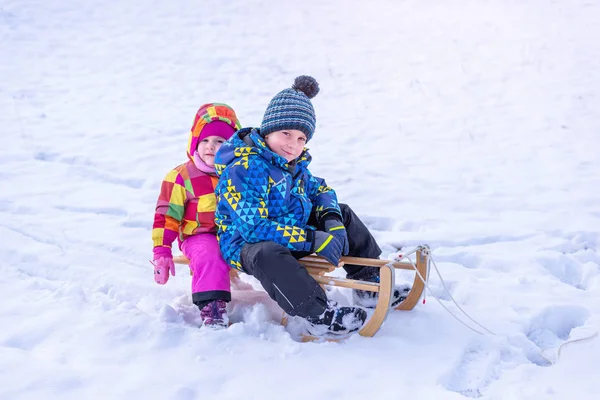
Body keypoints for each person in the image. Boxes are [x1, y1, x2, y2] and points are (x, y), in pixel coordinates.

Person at [214, 76, 409, 335]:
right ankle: (317, 314)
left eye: (301, 138)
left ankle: (366, 284)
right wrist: (312, 239)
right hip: (247, 246)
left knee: (344, 211)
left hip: (292, 236)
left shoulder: (295, 167)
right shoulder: (244, 169)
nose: (292, 144)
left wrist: (332, 222)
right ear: (268, 130)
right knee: (267, 252)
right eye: (286, 133)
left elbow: (322, 190)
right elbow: (254, 229)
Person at [152, 103, 241, 329]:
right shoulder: (181, 176)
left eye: (219, 141)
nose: (211, 146)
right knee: (210, 252)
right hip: (198, 236)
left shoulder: (240, 173)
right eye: (205, 141)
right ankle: (212, 308)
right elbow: (166, 216)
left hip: (236, 234)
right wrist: (162, 251)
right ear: (195, 143)